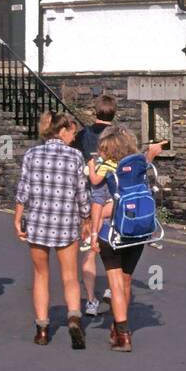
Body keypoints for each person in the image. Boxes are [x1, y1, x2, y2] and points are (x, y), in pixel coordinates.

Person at [14, 110, 91, 348]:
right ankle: (74, 317)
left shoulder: (32, 154)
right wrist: (87, 219)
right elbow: (81, 193)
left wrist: (18, 218)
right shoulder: (75, 157)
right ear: (62, 130)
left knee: (41, 275)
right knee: (70, 276)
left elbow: (23, 190)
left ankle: (42, 329)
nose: (74, 138)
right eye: (72, 133)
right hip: (66, 223)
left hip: (38, 222)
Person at [90, 126, 161, 353]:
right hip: (138, 232)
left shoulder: (107, 171)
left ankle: (123, 335)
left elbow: (98, 205)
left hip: (112, 234)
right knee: (126, 280)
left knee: (116, 284)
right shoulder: (139, 168)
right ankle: (115, 327)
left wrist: (92, 232)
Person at [74, 92, 118, 316]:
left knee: (90, 252)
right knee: (114, 249)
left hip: (89, 199)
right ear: (114, 112)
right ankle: (112, 289)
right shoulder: (119, 137)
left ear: (95, 111)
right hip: (112, 199)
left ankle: (91, 301)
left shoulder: (82, 135)